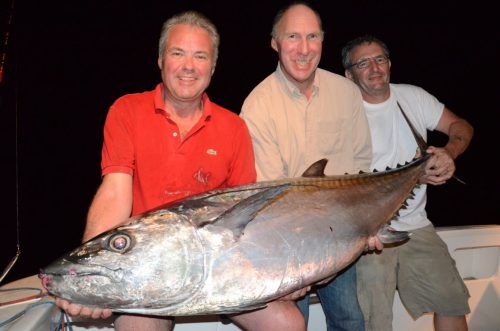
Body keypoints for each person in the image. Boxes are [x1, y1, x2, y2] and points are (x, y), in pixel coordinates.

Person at [55, 10, 306, 331]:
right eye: (178, 53)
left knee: (288, 323)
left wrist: (284, 273)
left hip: (218, 266)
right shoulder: (127, 110)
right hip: (148, 267)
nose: (189, 66)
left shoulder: (233, 127)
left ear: (212, 67)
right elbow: (115, 191)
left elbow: (246, 218)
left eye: (200, 56)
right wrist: (88, 275)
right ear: (161, 60)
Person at [240, 3, 381, 330]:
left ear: (323, 40)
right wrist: (305, 265)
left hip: (342, 235)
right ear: (275, 43)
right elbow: (271, 197)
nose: (304, 49)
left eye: (312, 37)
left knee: (350, 320)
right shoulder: (257, 106)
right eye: (292, 37)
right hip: (288, 246)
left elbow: (362, 164)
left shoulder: (346, 93)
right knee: (294, 321)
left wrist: (365, 225)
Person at [341, 35, 473, 331]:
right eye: (363, 63)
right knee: (374, 321)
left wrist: (449, 153)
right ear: (349, 75)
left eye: (380, 59)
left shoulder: (412, 97)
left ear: (389, 64)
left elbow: (460, 125)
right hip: (369, 234)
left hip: (416, 226)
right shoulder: (343, 114)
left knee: (451, 302)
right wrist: (413, 177)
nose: (374, 68)